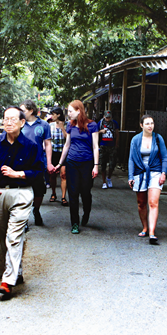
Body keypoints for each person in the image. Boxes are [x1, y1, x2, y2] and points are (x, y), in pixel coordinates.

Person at [0, 106, 44, 297]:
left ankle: (8, 281)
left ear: (22, 123)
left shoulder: (32, 145)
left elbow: (39, 172)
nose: (8, 122)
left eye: (12, 119)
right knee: (4, 239)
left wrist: (19, 174)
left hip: (22, 193)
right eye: (5, 119)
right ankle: (17, 272)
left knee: (14, 236)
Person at [57, 100, 99, 234]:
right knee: (73, 193)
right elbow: (67, 145)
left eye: (70, 111)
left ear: (78, 111)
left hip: (87, 163)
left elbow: (95, 146)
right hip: (72, 162)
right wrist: (59, 163)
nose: (68, 114)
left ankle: (86, 212)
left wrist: (96, 166)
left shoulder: (92, 125)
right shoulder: (70, 125)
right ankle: (74, 223)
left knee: (85, 192)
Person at [128, 115, 167, 245]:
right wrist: (130, 176)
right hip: (140, 173)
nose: (150, 126)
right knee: (141, 202)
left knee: (153, 202)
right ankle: (145, 227)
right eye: (147, 124)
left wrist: (163, 173)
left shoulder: (158, 138)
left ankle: (152, 232)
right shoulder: (135, 139)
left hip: (155, 172)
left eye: (152, 123)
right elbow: (131, 159)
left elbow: (164, 157)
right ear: (141, 125)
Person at [20, 99, 53, 226]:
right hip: (21, 164)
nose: (21, 113)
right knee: (23, 191)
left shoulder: (44, 125)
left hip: (38, 163)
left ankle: (37, 210)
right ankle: (24, 219)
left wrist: (49, 163)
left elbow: (48, 144)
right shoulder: (20, 124)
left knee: (39, 191)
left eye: (23, 111)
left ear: (31, 110)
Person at [48, 106, 68, 206]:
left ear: (58, 115)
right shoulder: (50, 125)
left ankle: (63, 196)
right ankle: (53, 193)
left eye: (53, 114)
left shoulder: (67, 124)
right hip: (53, 152)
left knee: (63, 174)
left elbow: (68, 138)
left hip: (63, 153)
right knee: (52, 174)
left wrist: (62, 128)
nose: (52, 116)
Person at [98, 110, 120, 189]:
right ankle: (104, 182)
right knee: (103, 164)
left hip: (112, 146)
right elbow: (95, 133)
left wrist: (116, 145)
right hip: (103, 145)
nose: (108, 119)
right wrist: (101, 131)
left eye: (109, 117)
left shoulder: (114, 123)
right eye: (106, 117)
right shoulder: (100, 123)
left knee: (112, 164)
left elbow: (117, 134)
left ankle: (109, 177)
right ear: (104, 117)